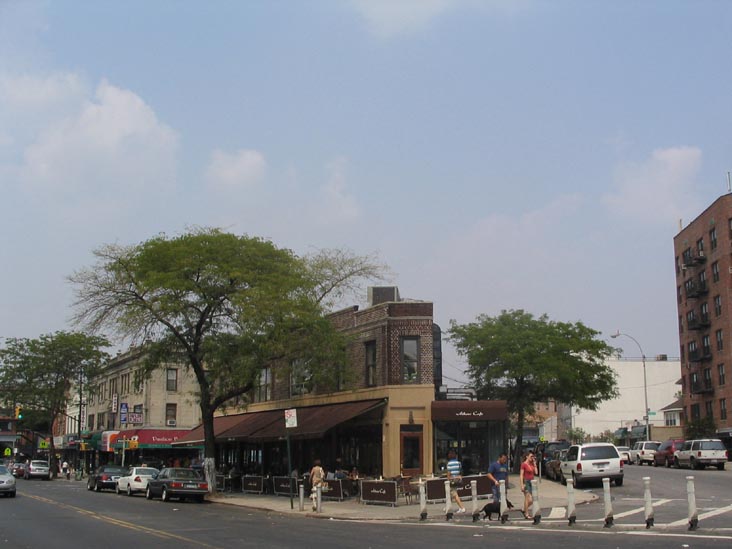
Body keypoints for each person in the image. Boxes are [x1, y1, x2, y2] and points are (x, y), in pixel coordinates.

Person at [519, 452, 538, 519]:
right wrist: (522, 484)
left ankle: (524, 509)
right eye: (531, 456)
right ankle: (526, 514)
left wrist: (535, 464)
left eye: (533, 456)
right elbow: (521, 475)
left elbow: (536, 472)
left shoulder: (532, 464)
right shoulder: (523, 464)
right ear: (527, 456)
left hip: (532, 482)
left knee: (533, 499)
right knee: (528, 498)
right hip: (526, 481)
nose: (532, 458)